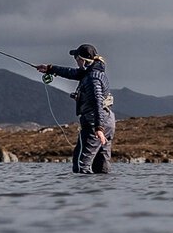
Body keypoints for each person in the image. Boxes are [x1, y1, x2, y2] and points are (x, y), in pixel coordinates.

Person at [35, 43, 116, 174]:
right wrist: (50, 68)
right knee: (101, 169)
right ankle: (102, 188)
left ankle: (81, 188)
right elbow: (71, 73)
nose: (75, 61)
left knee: (80, 165)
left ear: (82, 60)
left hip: (94, 124)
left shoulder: (92, 79)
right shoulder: (92, 72)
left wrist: (99, 129)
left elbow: (97, 103)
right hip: (107, 122)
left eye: (76, 58)